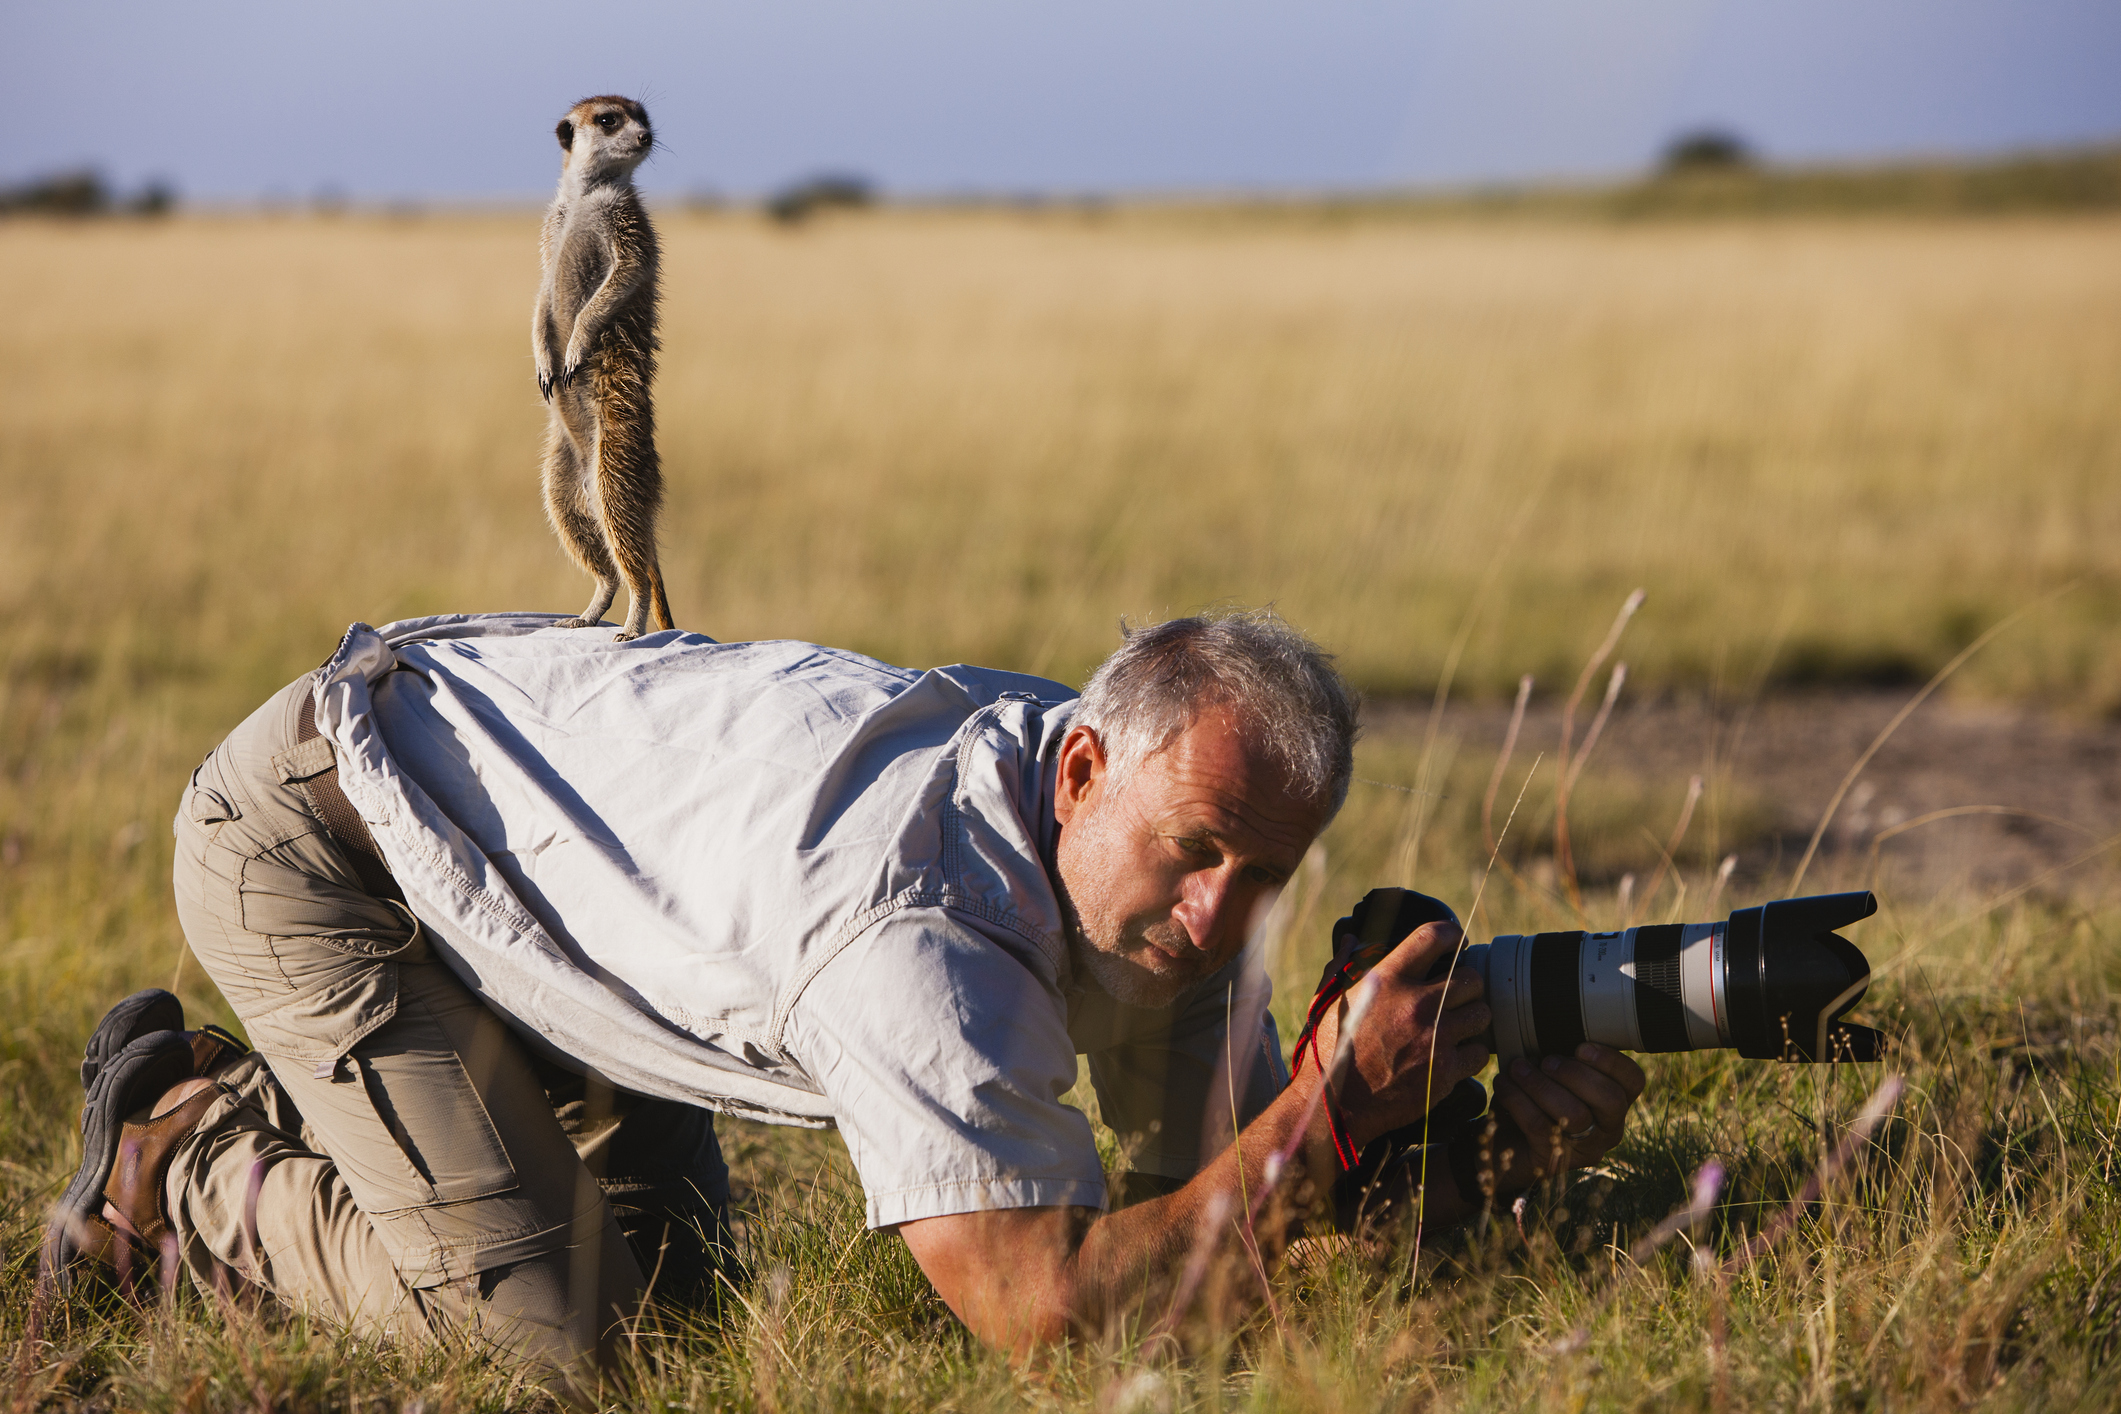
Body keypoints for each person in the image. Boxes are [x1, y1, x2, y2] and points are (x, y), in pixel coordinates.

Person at [45, 608, 1644, 1377]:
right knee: (565, 1354)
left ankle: (325, 1110)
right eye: (1200, 851)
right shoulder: (919, 931)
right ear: (1080, 765)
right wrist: (1334, 1106)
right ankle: (184, 1155)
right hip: (328, 836)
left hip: (565, 894)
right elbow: (1052, 1310)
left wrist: (1482, 1155)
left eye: (1273, 872)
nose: (1229, 913)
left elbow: (1210, 1202)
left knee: (684, 1319)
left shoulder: (1113, 832)